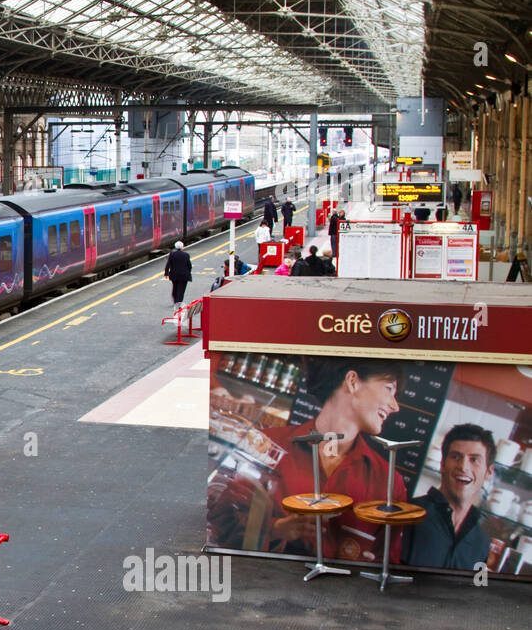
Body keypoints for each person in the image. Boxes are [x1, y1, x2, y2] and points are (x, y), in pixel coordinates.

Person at [209, 357, 408, 563]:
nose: (395, 406)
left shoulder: (390, 483)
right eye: (389, 389)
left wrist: (368, 570)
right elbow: (217, 527)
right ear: (352, 381)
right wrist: (276, 529)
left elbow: (389, 564)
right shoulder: (264, 445)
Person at [402, 424, 495, 571]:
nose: (463, 467)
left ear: (489, 472)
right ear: (442, 464)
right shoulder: (406, 516)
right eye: (456, 457)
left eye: (474, 460)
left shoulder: (482, 543)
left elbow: (477, 589)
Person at [164, 240, 192, 309]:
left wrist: (166, 273)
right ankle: (179, 302)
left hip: (174, 275)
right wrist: (188, 272)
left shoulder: (172, 254)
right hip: (184, 275)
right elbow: (189, 265)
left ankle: (175, 301)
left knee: (175, 288)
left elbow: (168, 265)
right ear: (182, 247)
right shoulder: (186, 255)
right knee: (181, 289)